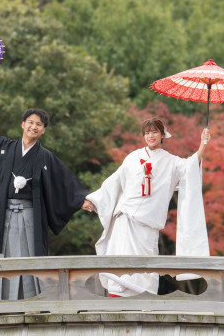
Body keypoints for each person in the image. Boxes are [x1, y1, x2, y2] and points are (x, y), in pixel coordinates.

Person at [0, 102, 91, 299]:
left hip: (30, 215)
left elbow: (65, 182)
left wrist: (81, 200)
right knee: (0, 253)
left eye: (39, 124)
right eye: (30, 122)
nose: (34, 127)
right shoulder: (5, 147)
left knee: (30, 255)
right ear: (23, 124)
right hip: (4, 213)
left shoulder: (45, 157)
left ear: (43, 130)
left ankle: (33, 301)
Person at [83, 118, 211, 297]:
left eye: (154, 132)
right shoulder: (133, 157)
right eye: (147, 133)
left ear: (162, 135)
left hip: (148, 222)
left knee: (144, 264)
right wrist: (94, 200)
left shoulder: (170, 161)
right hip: (126, 217)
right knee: (120, 258)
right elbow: (115, 180)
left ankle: (143, 300)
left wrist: (202, 144)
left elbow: (189, 167)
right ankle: (116, 297)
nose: (151, 136)